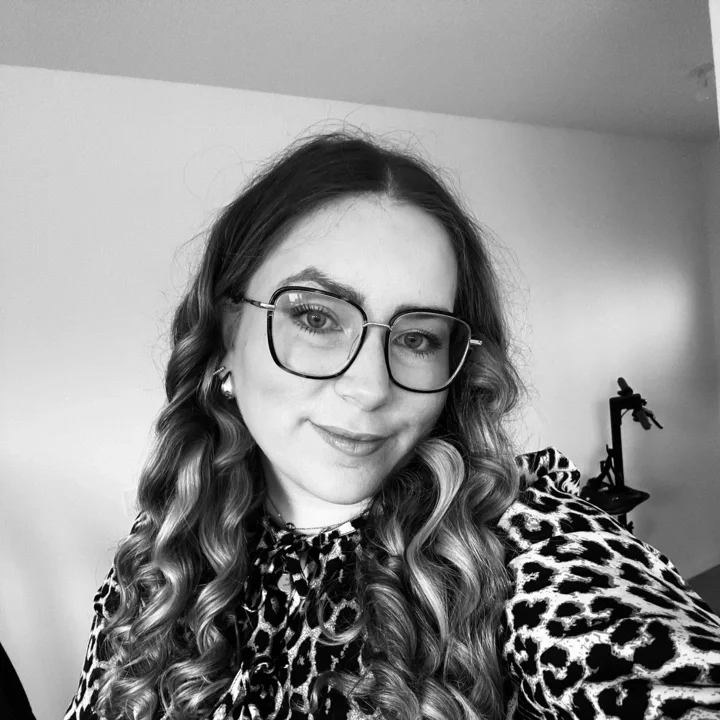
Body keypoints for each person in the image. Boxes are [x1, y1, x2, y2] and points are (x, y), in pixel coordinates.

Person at [65, 130, 720, 720]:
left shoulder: (516, 548)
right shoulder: (159, 563)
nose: (372, 387)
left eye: (417, 338)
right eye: (317, 318)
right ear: (224, 338)